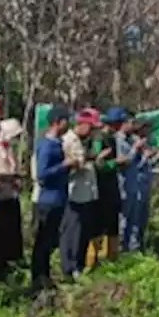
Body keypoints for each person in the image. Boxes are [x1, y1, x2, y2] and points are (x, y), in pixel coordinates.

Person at [32, 106, 73, 289]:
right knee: (43, 240)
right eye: (66, 120)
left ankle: (45, 275)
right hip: (48, 200)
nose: (68, 124)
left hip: (59, 198)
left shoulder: (57, 143)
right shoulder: (47, 145)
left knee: (50, 240)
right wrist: (64, 165)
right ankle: (38, 276)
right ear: (57, 121)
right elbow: (42, 174)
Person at [62, 109, 100, 276]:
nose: (92, 132)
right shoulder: (67, 141)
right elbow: (65, 167)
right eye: (91, 127)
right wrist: (79, 164)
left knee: (84, 231)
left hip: (87, 193)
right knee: (72, 231)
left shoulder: (84, 142)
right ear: (82, 124)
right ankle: (69, 267)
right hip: (74, 193)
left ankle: (80, 263)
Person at [0, 118, 25, 275]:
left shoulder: (8, 149)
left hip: (11, 195)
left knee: (12, 233)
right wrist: (7, 176)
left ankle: (10, 264)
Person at [91, 108, 128, 265]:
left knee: (113, 220)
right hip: (101, 187)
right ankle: (94, 258)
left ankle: (112, 257)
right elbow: (98, 164)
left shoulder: (112, 138)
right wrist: (115, 163)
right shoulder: (99, 138)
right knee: (100, 223)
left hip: (112, 185)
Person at [119, 116, 156, 252]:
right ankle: (127, 247)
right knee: (129, 219)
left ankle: (139, 245)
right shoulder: (131, 142)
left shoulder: (146, 141)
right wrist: (143, 155)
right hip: (134, 183)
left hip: (143, 183)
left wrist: (153, 156)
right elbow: (132, 164)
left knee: (142, 217)